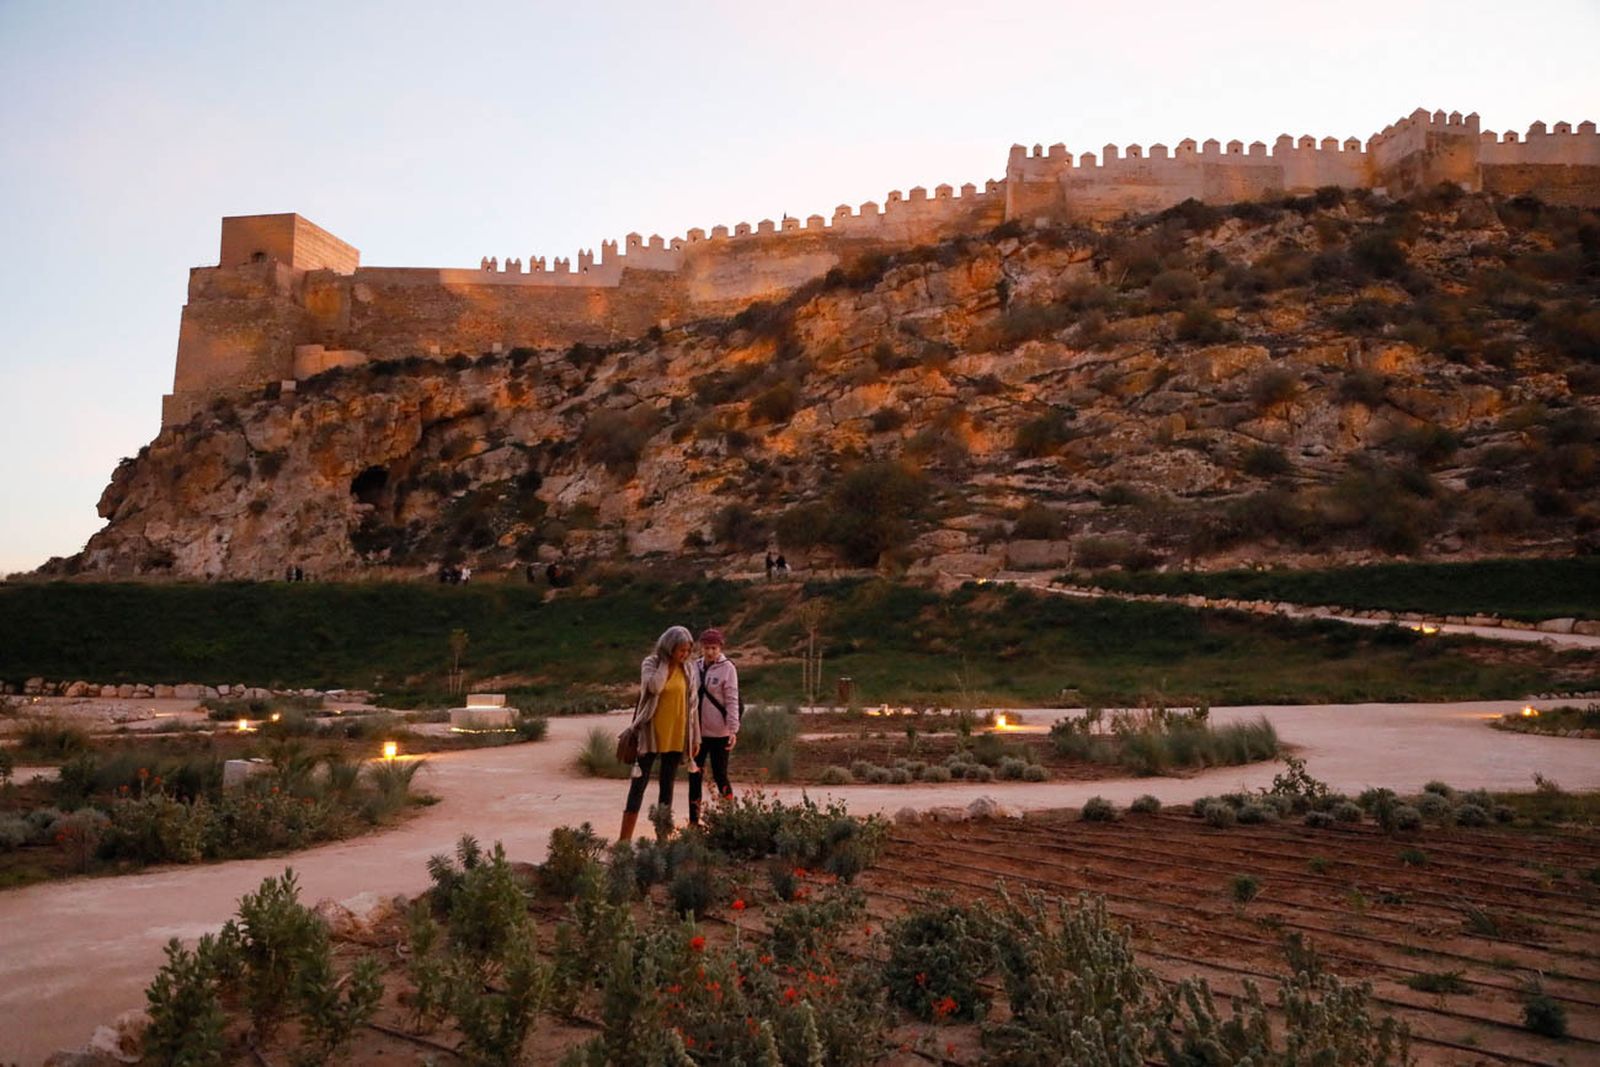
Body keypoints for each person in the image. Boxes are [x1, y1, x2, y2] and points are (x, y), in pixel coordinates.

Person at [618, 626, 701, 842]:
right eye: (680, 650)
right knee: (638, 785)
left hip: (677, 734)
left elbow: (693, 706)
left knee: (667, 786)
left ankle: (662, 838)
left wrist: (696, 737)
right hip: (650, 734)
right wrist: (666, 662)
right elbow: (654, 687)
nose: (684, 655)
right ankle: (624, 840)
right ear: (669, 647)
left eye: (687, 651)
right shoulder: (651, 663)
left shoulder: (689, 669)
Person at [687, 627, 739, 825]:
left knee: (720, 775)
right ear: (701, 648)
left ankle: (730, 818)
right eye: (707, 648)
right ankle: (694, 821)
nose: (710, 652)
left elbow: (732, 699)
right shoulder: (694, 667)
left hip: (719, 733)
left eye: (714, 648)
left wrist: (733, 730)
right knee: (694, 776)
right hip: (698, 733)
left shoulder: (728, 669)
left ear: (720, 648)